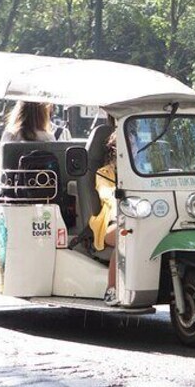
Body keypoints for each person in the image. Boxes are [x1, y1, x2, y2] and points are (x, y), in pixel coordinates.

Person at [89, 131, 119, 306]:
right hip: (113, 223)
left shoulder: (144, 171)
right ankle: (112, 288)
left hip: (141, 221)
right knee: (125, 237)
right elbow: (107, 194)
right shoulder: (104, 173)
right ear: (114, 151)